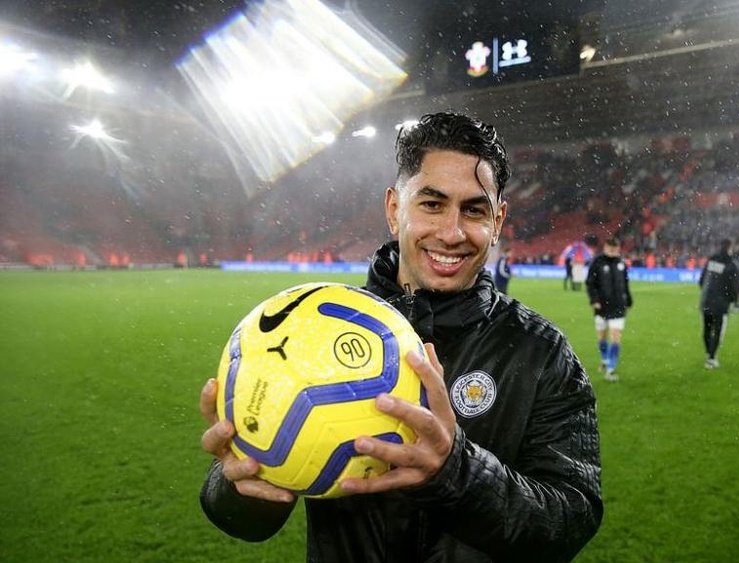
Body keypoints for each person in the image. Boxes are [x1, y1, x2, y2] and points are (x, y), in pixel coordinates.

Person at [198, 112, 603, 561]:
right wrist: (241, 479)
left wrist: (456, 472)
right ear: (395, 209)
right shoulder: (313, 327)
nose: (452, 233)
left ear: (499, 221)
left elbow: (572, 520)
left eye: (474, 210)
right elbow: (241, 523)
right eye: (431, 204)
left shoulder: (541, 352)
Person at [586, 237, 632, 381]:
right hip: (602, 307)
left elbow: (625, 283)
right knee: (602, 336)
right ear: (605, 247)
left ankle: (611, 369)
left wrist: (629, 300)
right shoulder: (597, 262)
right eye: (611, 249)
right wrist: (594, 300)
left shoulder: (621, 263)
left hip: (618, 306)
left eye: (616, 249)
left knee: (616, 337)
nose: (613, 252)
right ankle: (605, 360)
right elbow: (590, 283)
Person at [698, 239, 739, 369]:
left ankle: (708, 353)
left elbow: (701, 280)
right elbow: (733, 285)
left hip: (707, 300)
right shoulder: (731, 264)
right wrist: (732, 300)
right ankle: (711, 357)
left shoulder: (711, 260)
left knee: (707, 329)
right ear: (730, 248)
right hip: (721, 302)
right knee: (718, 330)